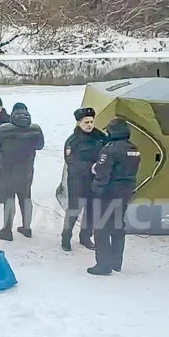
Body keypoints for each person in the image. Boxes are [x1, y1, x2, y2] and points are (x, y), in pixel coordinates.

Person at [88, 118, 141, 276]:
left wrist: (96, 186)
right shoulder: (134, 149)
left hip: (109, 193)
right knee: (118, 226)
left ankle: (103, 265)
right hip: (125, 192)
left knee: (102, 228)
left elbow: (102, 172)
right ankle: (116, 262)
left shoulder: (109, 149)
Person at [0, 102, 44, 241]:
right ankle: (27, 227)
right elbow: (40, 146)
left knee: (9, 199)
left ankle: (7, 230)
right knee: (26, 198)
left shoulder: (3, 129)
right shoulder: (35, 129)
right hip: (27, 171)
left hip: (7, 171)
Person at [61, 107, 107, 251]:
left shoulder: (100, 136)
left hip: (95, 181)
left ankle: (85, 237)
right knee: (74, 210)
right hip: (78, 181)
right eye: (86, 122)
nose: (89, 125)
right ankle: (66, 237)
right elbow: (71, 162)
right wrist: (91, 167)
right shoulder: (73, 141)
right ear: (78, 122)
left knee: (92, 210)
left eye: (91, 122)